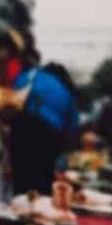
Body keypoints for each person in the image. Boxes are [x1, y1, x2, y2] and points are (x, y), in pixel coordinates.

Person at [9, 57, 80, 196]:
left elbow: (10, 100)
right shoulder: (66, 91)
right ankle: (37, 209)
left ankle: (19, 206)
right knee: (42, 183)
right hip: (49, 134)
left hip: (22, 127)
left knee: (20, 180)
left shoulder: (29, 75)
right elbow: (72, 130)